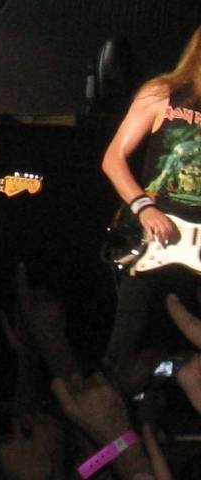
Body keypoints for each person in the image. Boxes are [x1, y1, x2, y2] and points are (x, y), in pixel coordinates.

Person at [101, 25, 201, 375]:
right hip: (153, 236)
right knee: (129, 343)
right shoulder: (163, 93)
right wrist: (144, 208)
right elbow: (113, 158)